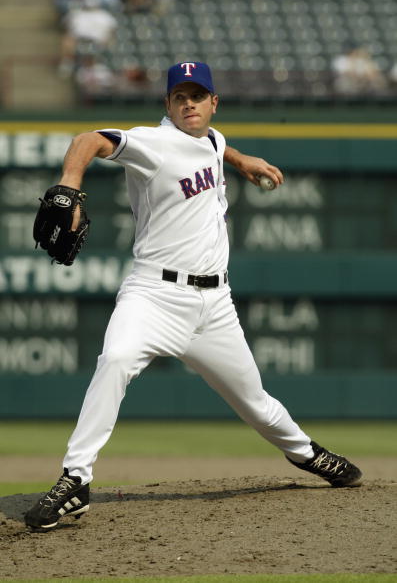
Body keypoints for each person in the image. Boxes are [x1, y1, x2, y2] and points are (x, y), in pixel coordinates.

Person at [24, 61, 362, 530]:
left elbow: (213, 147)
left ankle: (307, 454)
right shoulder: (153, 142)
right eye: (180, 97)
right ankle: (75, 479)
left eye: (197, 96)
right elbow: (89, 140)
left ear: (212, 103)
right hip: (153, 295)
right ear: (167, 105)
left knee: (255, 402)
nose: (189, 104)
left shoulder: (214, 140)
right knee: (116, 360)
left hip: (215, 307)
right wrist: (69, 183)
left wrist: (242, 160)